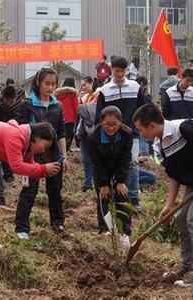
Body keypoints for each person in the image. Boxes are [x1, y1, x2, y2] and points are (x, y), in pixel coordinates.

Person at [133, 103, 193, 287]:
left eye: (141, 129)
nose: (140, 134)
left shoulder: (183, 127)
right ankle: (188, 265)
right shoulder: (159, 146)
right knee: (181, 218)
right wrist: (169, 205)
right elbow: (173, 176)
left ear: (151, 126)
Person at [15, 67, 68, 239]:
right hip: (32, 155)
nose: (50, 87)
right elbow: (21, 132)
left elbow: (61, 133)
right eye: (47, 83)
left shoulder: (57, 106)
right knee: (29, 190)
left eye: (53, 84)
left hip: (53, 155)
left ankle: (57, 223)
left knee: (55, 191)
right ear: (38, 82)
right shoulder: (27, 104)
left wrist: (64, 156)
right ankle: (22, 228)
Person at [95, 56, 145, 209]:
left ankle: (134, 197)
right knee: (115, 164)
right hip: (112, 134)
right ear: (111, 70)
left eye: (123, 71)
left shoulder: (135, 87)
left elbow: (142, 108)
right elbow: (100, 114)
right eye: (117, 71)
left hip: (132, 132)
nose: (120, 74)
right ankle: (116, 195)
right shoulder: (104, 90)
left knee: (133, 162)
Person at [86, 106, 133, 245]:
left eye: (115, 125)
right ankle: (105, 229)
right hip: (101, 168)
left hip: (119, 167)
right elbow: (96, 162)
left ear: (120, 123)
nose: (111, 128)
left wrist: (120, 180)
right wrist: (103, 184)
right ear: (101, 122)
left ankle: (124, 232)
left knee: (123, 196)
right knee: (103, 197)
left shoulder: (126, 133)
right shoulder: (92, 137)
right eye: (107, 124)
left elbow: (126, 158)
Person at [0, 85, 23, 183]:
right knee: (4, 151)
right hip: (4, 127)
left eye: (11, 102)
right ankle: (8, 175)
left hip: (18, 125)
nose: (9, 104)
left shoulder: (20, 94)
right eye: (7, 102)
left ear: (15, 98)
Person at [77, 76, 98, 192]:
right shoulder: (84, 98)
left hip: (94, 132)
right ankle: (88, 182)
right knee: (86, 159)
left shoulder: (98, 95)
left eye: (85, 84)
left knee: (94, 158)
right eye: (82, 85)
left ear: (91, 83)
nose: (83, 87)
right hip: (84, 132)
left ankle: (95, 182)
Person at [54, 77, 79, 152]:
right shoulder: (73, 94)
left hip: (59, 117)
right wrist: (77, 117)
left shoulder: (57, 94)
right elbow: (76, 107)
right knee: (68, 135)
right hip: (70, 118)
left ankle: (59, 149)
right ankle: (66, 149)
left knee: (60, 134)